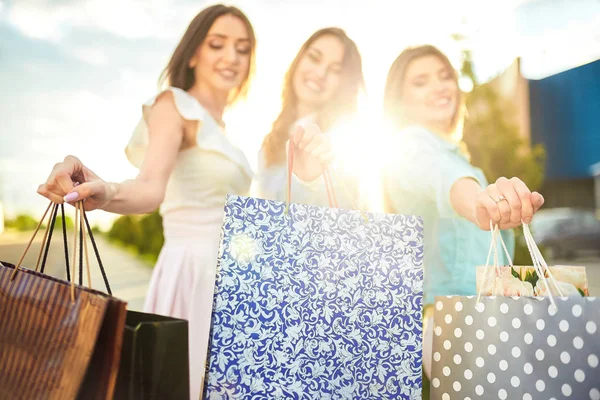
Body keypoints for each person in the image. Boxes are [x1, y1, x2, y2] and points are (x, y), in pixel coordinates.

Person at [36, 5, 331, 399]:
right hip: (194, 271)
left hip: (234, 280)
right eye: (217, 44)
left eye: (243, 49)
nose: (231, 57)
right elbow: (149, 187)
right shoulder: (173, 104)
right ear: (193, 53)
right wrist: (104, 190)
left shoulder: (225, 131)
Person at [381, 45, 545, 391]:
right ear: (400, 100)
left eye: (445, 76)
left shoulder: (459, 157)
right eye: (421, 82)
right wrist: (480, 202)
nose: (440, 87)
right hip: (456, 318)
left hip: (491, 312)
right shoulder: (408, 145)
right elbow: (442, 179)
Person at [257, 27, 365, 208]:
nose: (320, 73)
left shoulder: (344, 136)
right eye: (314, 58)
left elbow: (347, 197)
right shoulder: (271, 141)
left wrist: (314, 178)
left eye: (335, 70)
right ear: (299, 59)